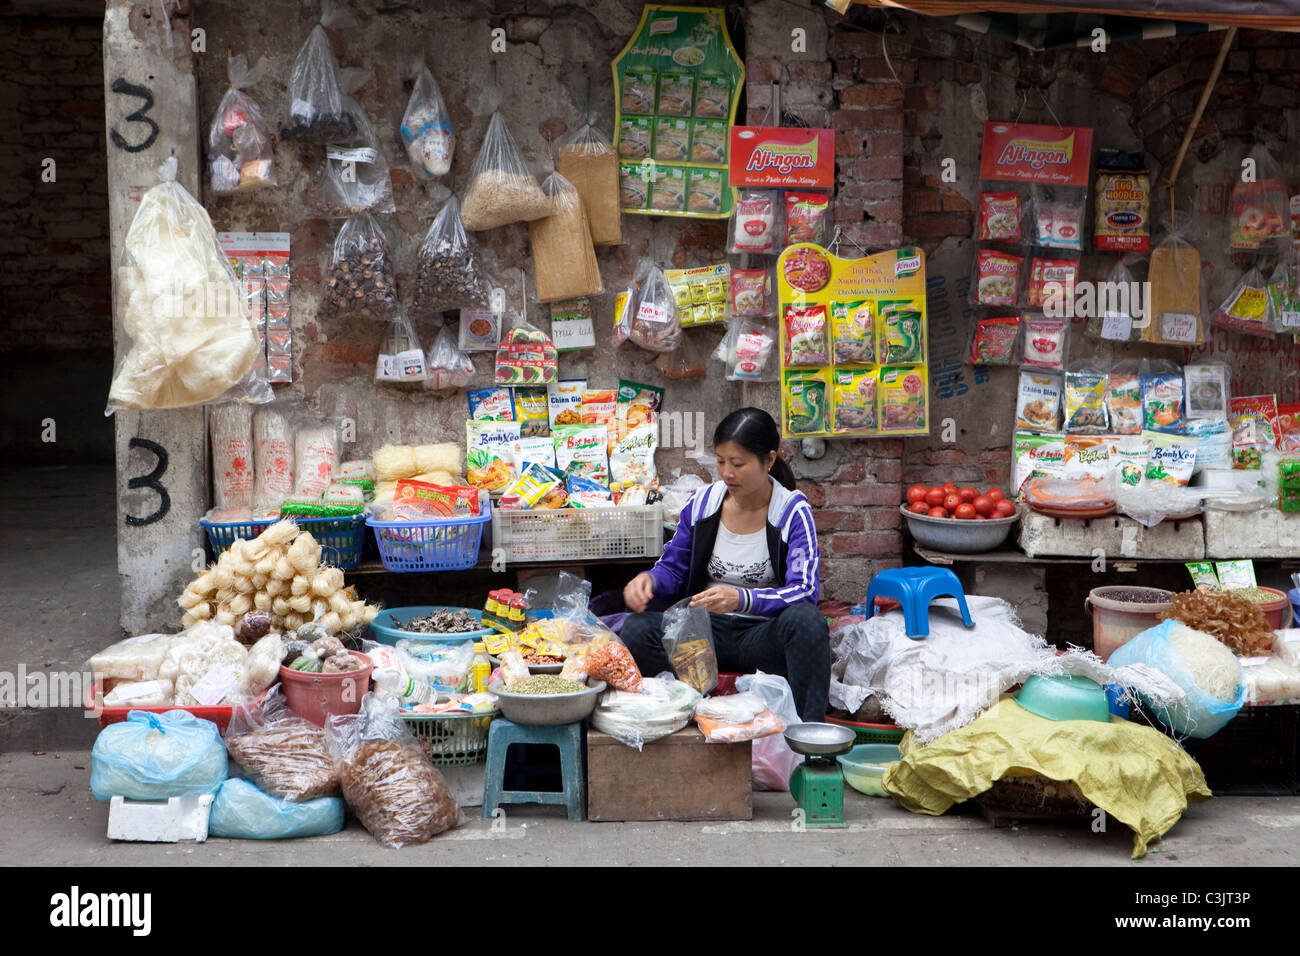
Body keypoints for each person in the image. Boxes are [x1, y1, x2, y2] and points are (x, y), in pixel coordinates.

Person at [621, 407, 830, 721]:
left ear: (769, 460)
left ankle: (809, 738)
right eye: (721, 461)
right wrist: (650, 580)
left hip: (763, 637)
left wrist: (742, 599)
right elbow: (674, 568)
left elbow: (804, 591)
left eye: (738, 463)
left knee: (808, 622)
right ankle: (676, 717)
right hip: (702, 638)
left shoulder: (791, 511)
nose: (727, 473)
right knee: (638, 630)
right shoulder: (703, 504)